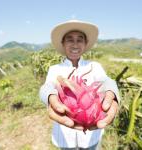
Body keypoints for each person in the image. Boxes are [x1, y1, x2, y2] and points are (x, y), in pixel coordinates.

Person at [40, 20, 120, 150]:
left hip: (92, 136)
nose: (75, 44)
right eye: (70, 39)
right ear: (63, 43)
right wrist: (49, 97)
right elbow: (47, 87)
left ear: (85, 43)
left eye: (80, 39)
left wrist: (113, 93)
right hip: (64, 138)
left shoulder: (94, 66)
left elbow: (106, 81)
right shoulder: (55, 69)